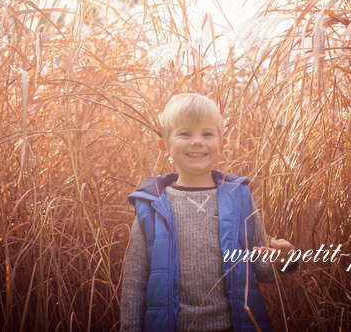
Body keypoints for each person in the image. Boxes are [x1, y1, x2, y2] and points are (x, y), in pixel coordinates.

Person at [120, 93, 298, 332]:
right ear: (164, 145)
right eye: (185, 133)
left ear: (221, 145)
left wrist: (285, 260)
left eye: (207, 134)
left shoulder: (240, 198)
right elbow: (135, 281)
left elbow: (262, 271)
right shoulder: (151, 206)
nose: (197, 141)